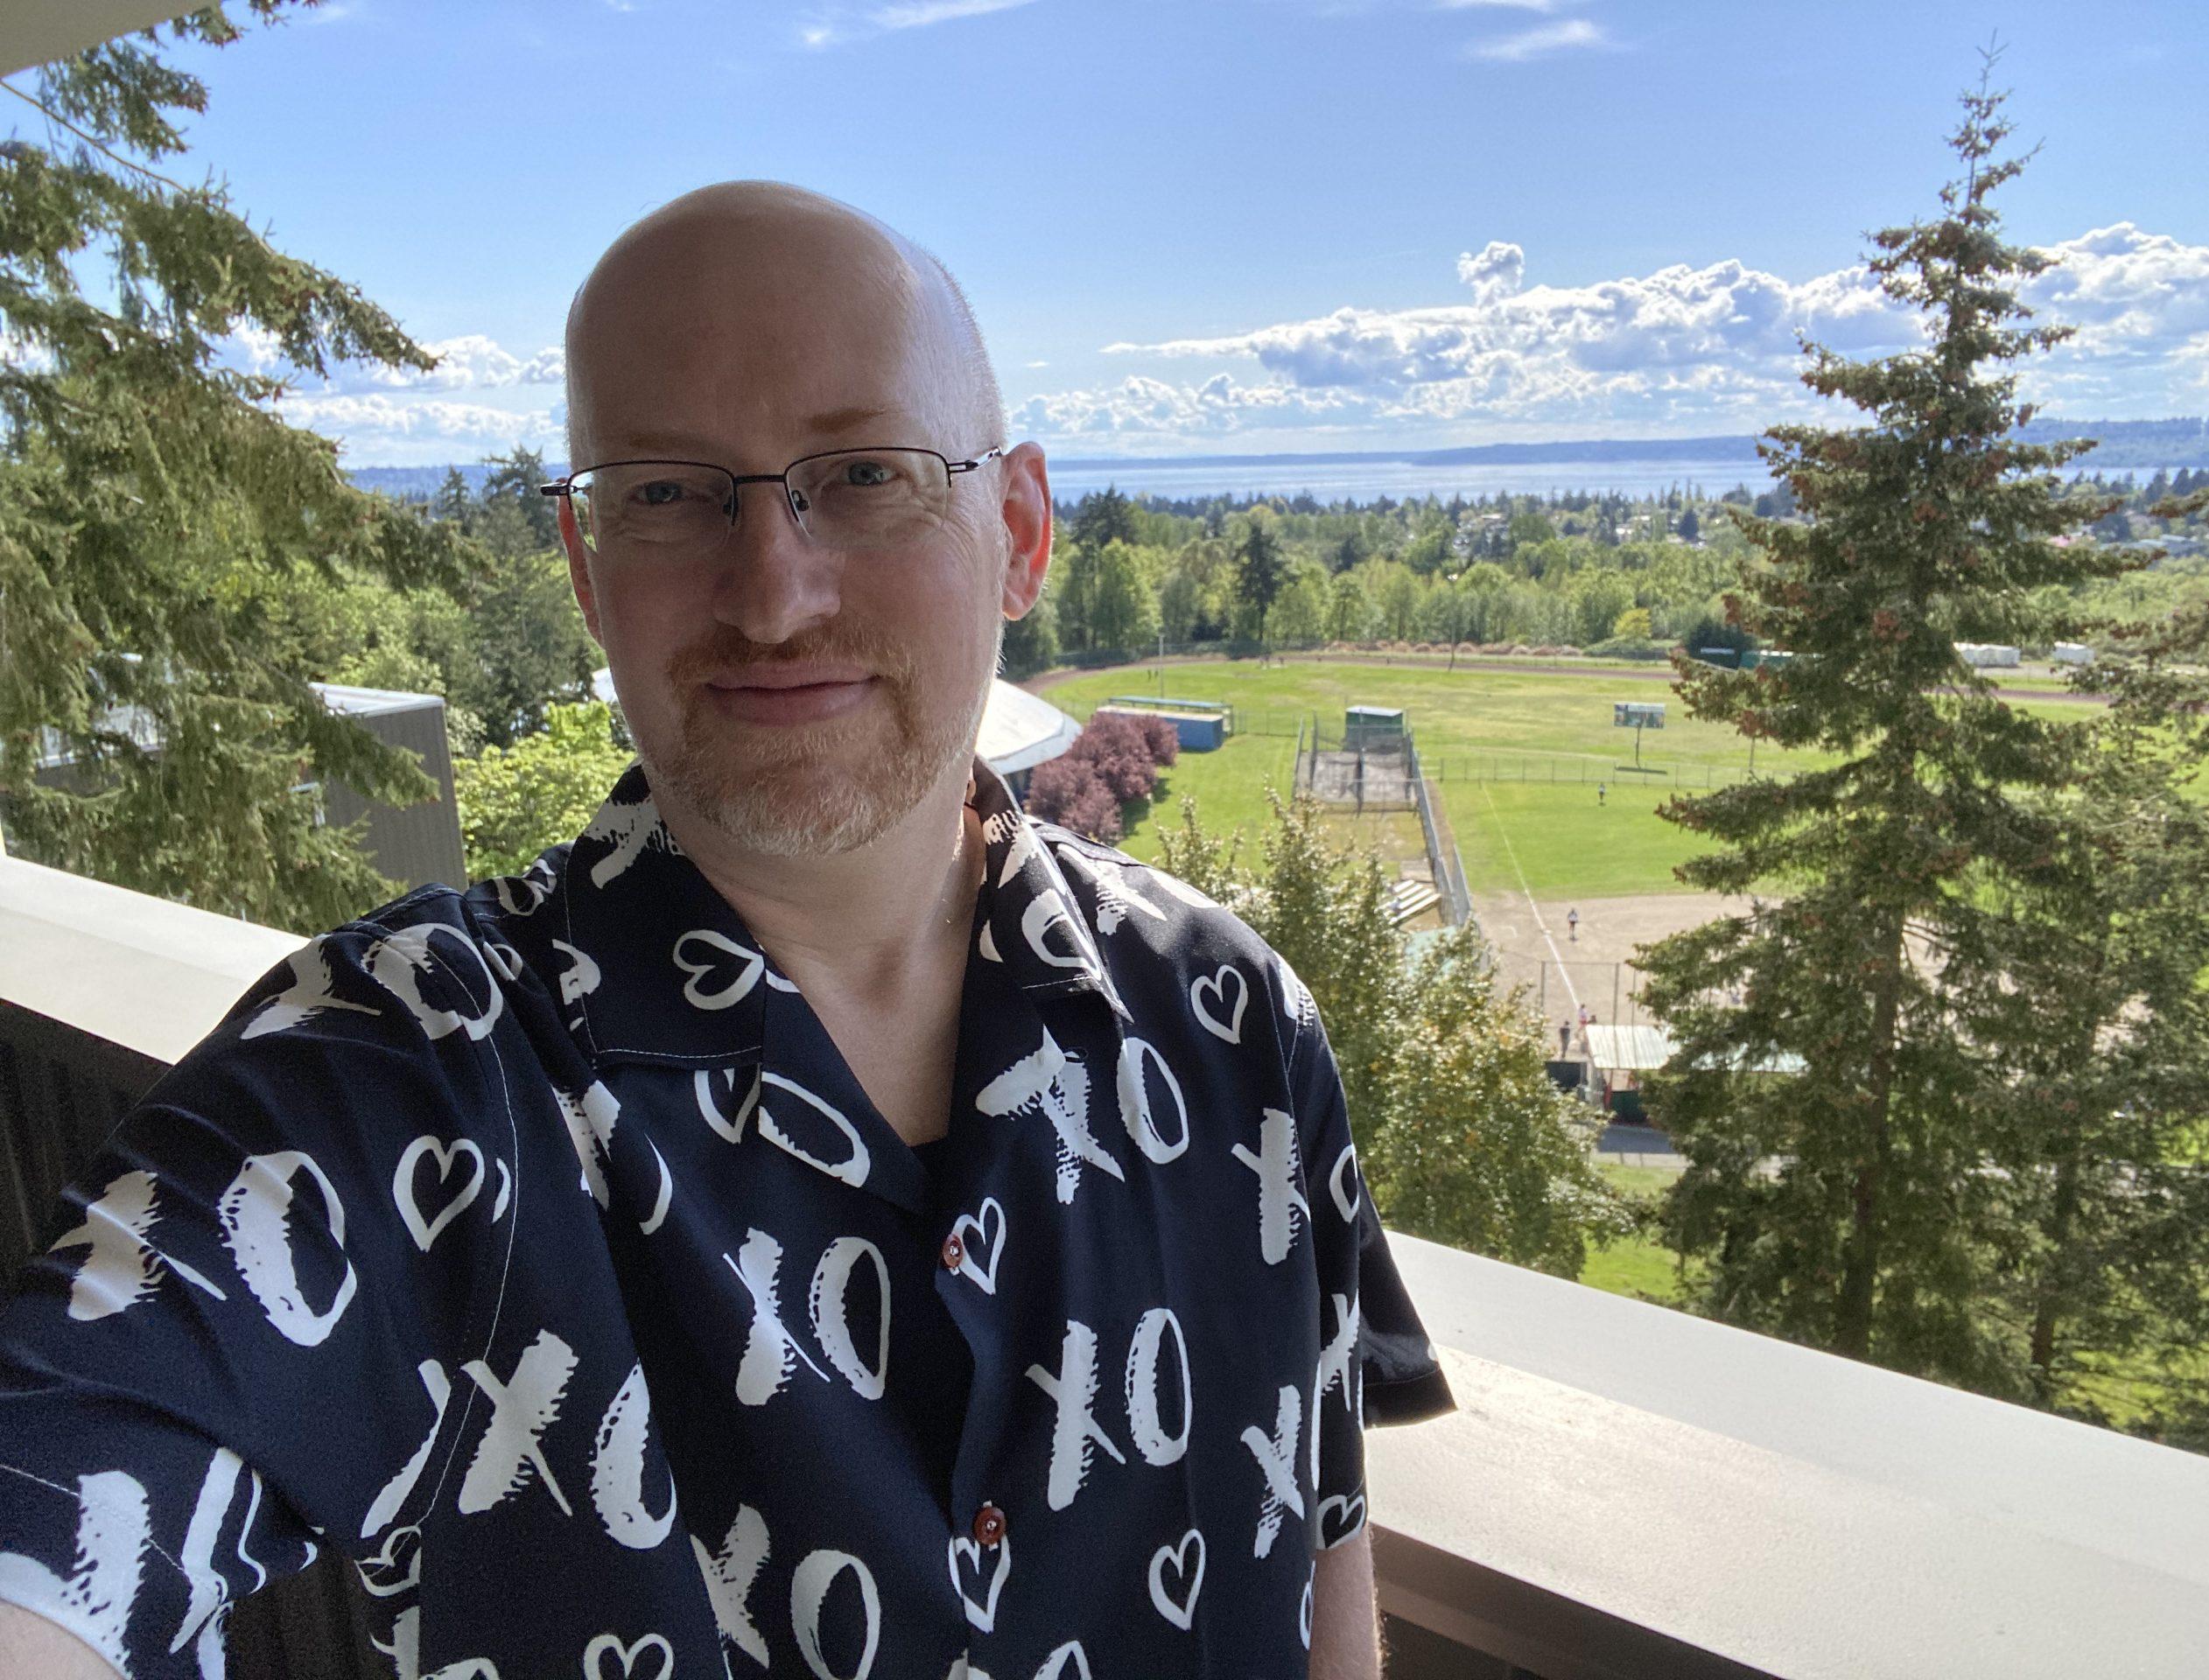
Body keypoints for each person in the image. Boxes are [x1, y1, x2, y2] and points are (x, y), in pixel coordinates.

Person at [0, 185, 1453, 1680]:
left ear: (1017, 533)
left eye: (866, 472)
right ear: (587, 568)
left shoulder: (1233, 1022)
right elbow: (75, 1468)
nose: (771, 593)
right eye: (670, 493)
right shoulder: (407, 1070)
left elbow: (1322, 1549)